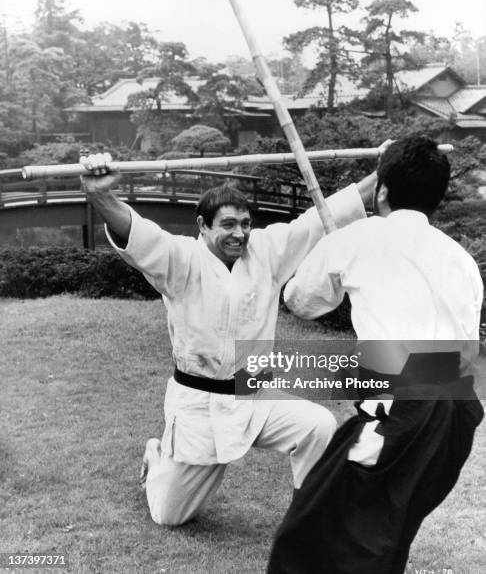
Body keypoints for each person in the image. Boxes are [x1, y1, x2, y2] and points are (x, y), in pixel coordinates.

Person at [80, 154, 375, 526]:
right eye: (229, 224)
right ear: (203, 226)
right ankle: (157, 457)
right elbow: (137, 233)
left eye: (246, 224)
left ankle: (312, 517)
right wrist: (101, 198)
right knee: (170, 515)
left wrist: (386, 172)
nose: (240, 233)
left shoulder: (266, 252)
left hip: (254, 395)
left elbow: (318, 218)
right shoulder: (180, 259)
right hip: (199, 405)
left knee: (318, 425)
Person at [267, 134, 484, 574]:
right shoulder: (460, 259)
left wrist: (338, 255)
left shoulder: (359, 236)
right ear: (438, 197)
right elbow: (457, 355)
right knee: (381, 537)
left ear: (381, 190)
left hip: (402, 412)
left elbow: (299, 300)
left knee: (308, 534)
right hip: (456, 418)